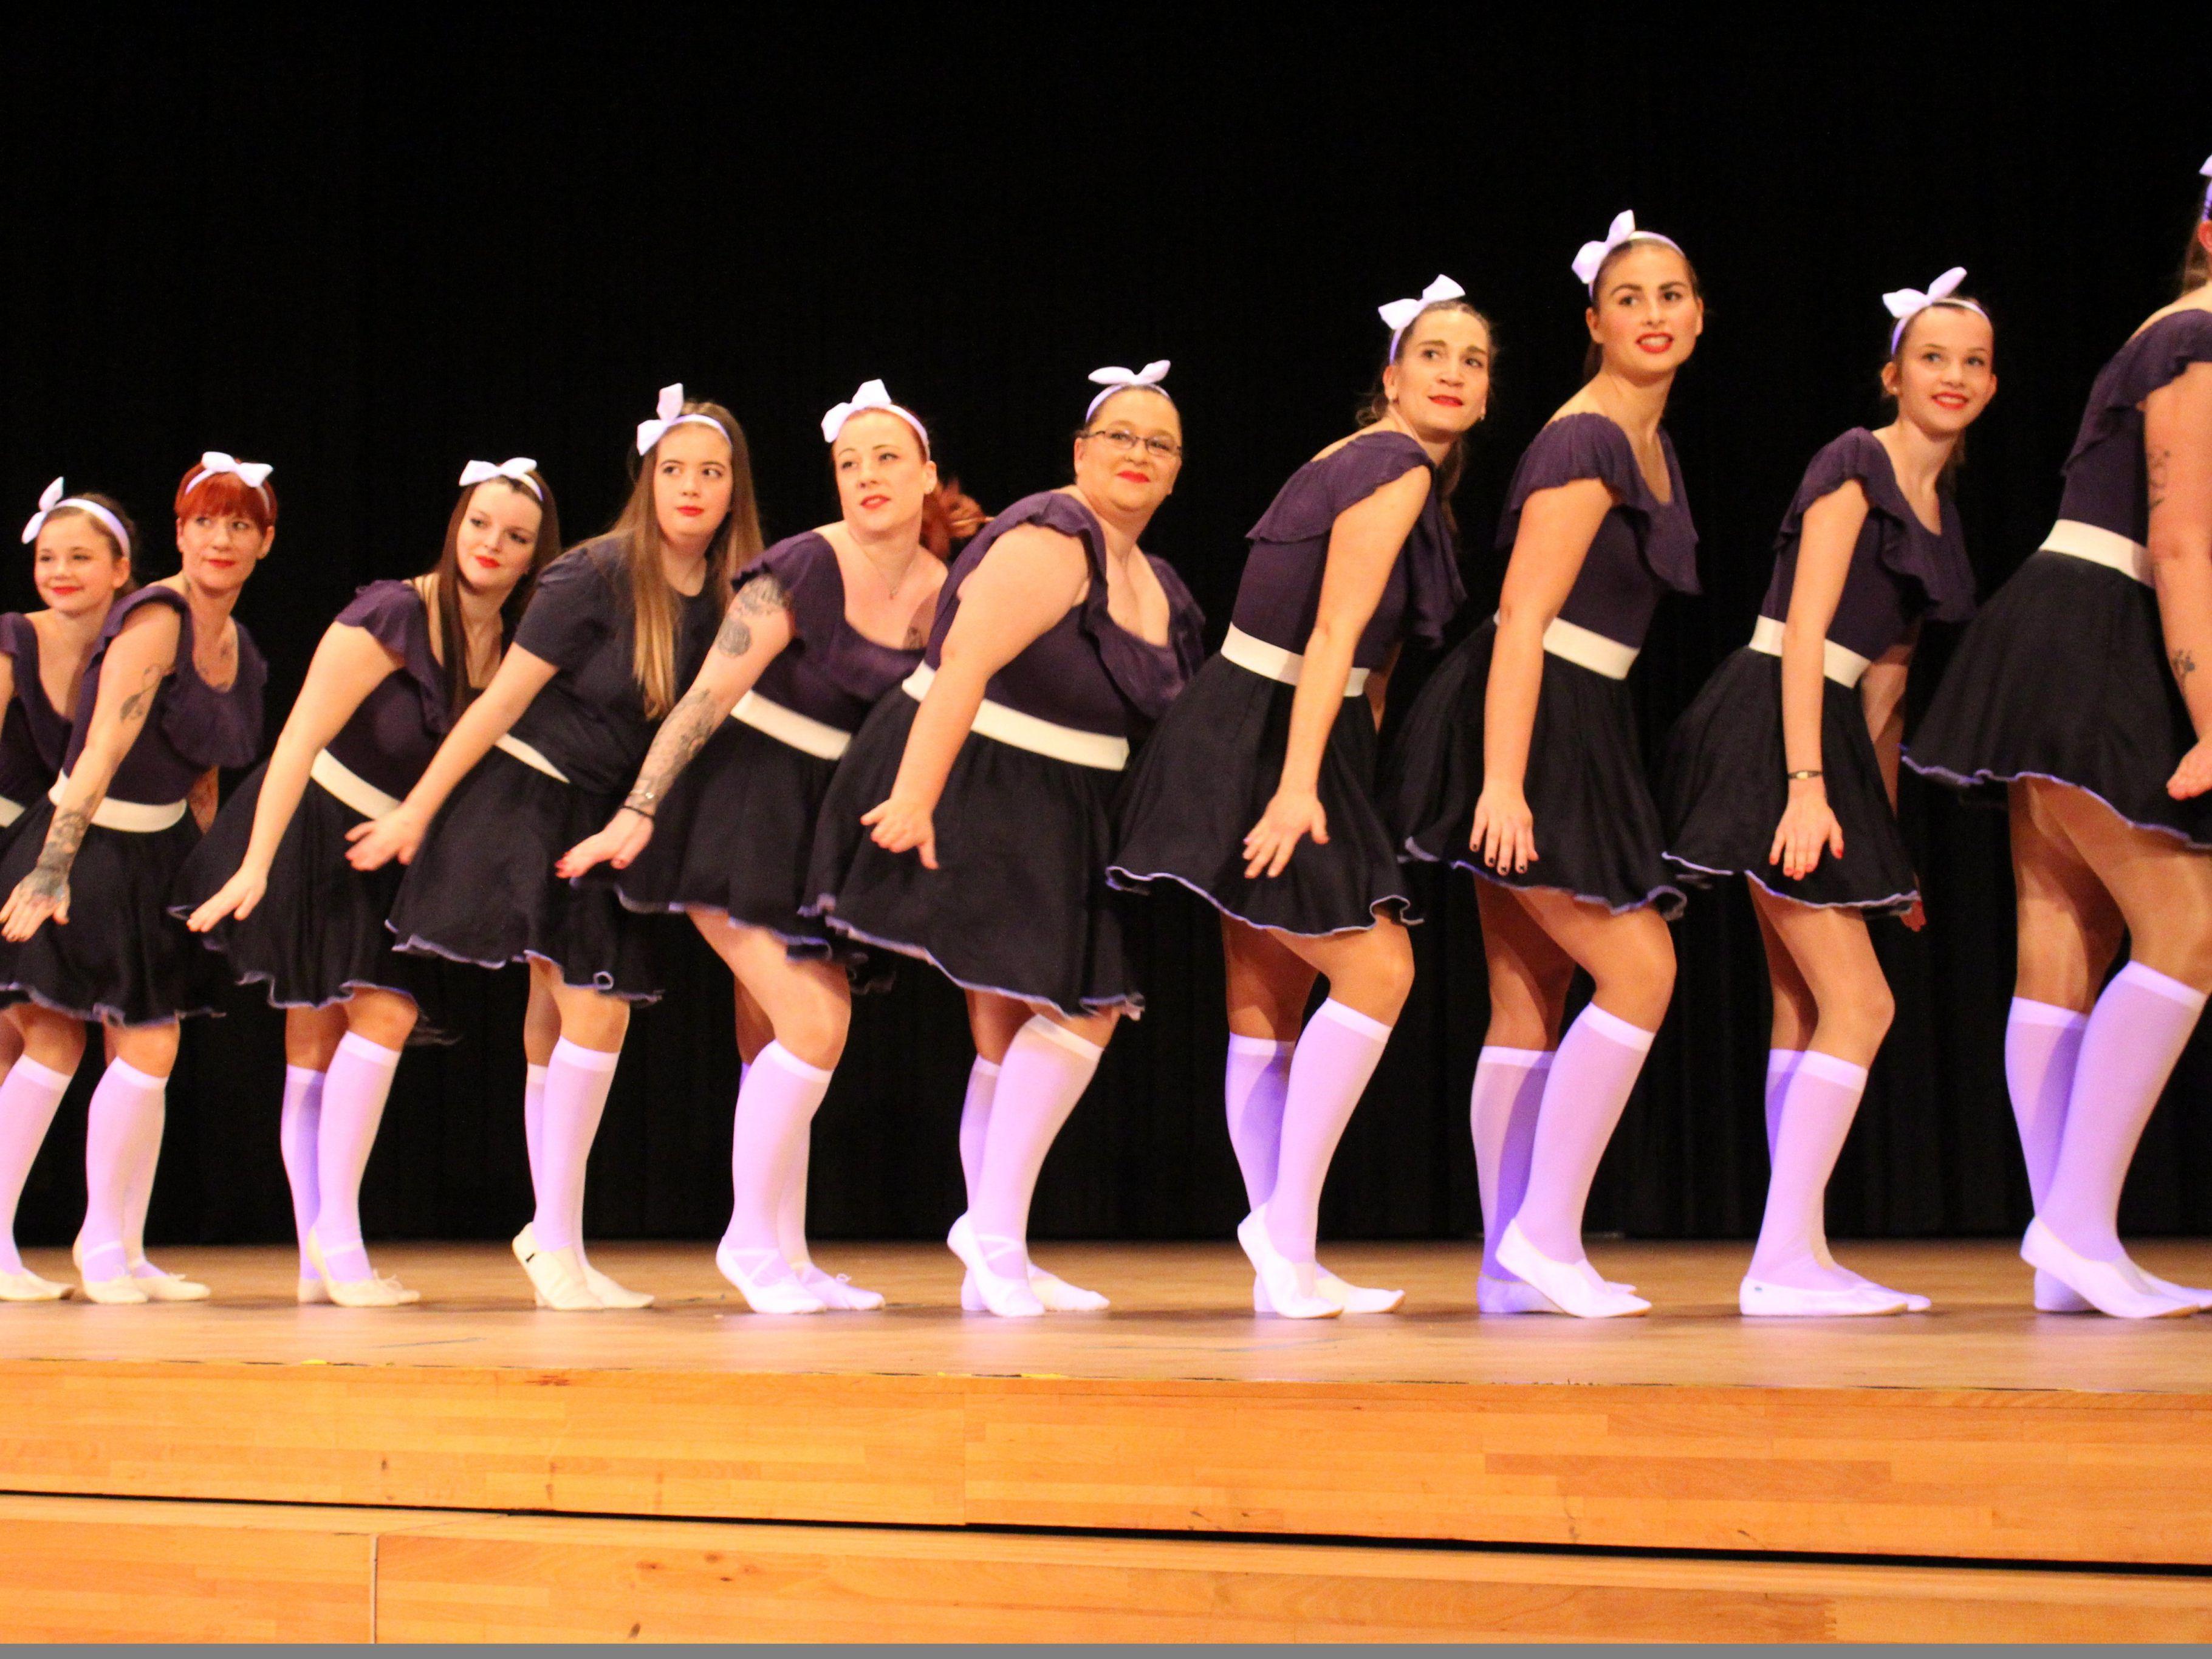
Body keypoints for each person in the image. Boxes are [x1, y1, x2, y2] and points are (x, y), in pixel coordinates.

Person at [1110, 279, 1485, 1317]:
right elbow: (1330, 635)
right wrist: (1294, 786)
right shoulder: (1396, 466)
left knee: (1267, 987)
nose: (1453, 373)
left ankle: (1289, 1255)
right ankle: (1281, 1226)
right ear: (1390, 377)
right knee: (1377, 973)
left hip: (1257, 719)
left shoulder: (1358, 460)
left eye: (1473, 360)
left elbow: (1361, 656)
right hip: (1271, 731)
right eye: (1433, 355)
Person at [807, 363, 1204, 1316]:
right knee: (1083, 1009)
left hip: (1064, 806)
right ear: (1081, 452)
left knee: (1012, 1023)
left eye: (1159, 443)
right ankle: (990, 1234)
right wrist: (913, 796)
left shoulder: (1155, 579)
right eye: (1120, 437)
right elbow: (963, 665)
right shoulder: (1052, 537)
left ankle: (999, 1245)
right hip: (984, 782)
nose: (1138, 455)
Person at [558, 382, 960, 1313]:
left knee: (777, 1038)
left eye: (887, 458)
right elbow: (707, 694)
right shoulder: (800, 565)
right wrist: (640, 807)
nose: (867, 477)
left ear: (928, 476)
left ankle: (786, 1250)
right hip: (734, 808)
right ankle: (748, 1244)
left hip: (819, 821)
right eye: (849, 462)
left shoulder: (948, 591)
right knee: (816, 1023)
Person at [349, 387, 751, 1311]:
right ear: (647, 480)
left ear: (735, 491)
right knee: (593, 1005)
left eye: (710, 472)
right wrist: (417, 811)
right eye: (673, 470)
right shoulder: (594, 573)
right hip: (529, 798)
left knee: (561, 1004)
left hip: (609, 812)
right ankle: (557, 1239)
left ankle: (551, 1233)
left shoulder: (733, 595)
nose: (690, 487)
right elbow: (496, 701)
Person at [1906, 156, 2212, 1318]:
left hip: (2068, 620)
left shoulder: (2172, 331)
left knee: (2061, 935)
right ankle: (2074, 1225)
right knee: (2183, 925)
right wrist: (2207, 718)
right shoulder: (2196, 337)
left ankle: (2067, 1249)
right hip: (2092, 624)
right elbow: (2180, 542)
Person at [1390, 212, 1702, 1318]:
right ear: (1593, 322)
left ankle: (1505, 1261)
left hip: (1578, 712)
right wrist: (1504, 780)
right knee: (1642, 969)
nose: (1653, 315)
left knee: (1530, 996)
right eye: (1630, 299)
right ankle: (1544, 1236)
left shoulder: (1645, 439)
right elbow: (1521, 616)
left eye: (1670, 296)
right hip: (1534, 712)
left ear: (1698, 313)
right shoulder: (1586, 437)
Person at [1663, 272, 1994, 1315]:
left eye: (1973, 361)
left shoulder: (1937, 508)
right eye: (1932, 358)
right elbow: (1803, 632)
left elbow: (1888, 684)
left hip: (1833, 733)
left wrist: (1881, 855)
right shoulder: (1855, 461)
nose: (1953, 377)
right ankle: (1780, 1260)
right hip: (1775, 717)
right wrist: (1803, 786)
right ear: (1892, 374)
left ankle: (1793, 1247)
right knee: (1863, 1001)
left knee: (1808, 1004)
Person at [179, 459, 558, 1306]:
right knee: (370, 1017)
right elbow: (299, 738)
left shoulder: (513, 642)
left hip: (391, 848)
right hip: (315, 827)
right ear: (456, 525)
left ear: (536, 555)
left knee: (328, 1035)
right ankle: (337, 1245)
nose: (493, 545)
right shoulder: (391, 611)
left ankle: (319, 1259)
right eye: (480, 525)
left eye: (516, 536)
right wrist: (254, 863)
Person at [0, 455, 275, 1304]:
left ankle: (124, 1241)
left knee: (147, 1045)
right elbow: (101, 751)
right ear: (181, 532)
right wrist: (54, 866)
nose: (217, 540)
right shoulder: (156, 615)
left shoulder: (237, 645)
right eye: (202, 522)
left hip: (156, 858)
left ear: (265, 541)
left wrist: (206, 872)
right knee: (75, 1039)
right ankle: (92, 1245)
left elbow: (204, 772)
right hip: (91, 846)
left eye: (238, 525)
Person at [0, 483, 134, 1299]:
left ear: (122, 570)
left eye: (81, 557)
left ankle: (111, 1242)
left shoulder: (132, 652)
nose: (60, 571)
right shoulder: (13, 640)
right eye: (48, 557)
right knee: (44, 1036)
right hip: (14, 849)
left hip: (57, 851)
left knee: (33, 1039)